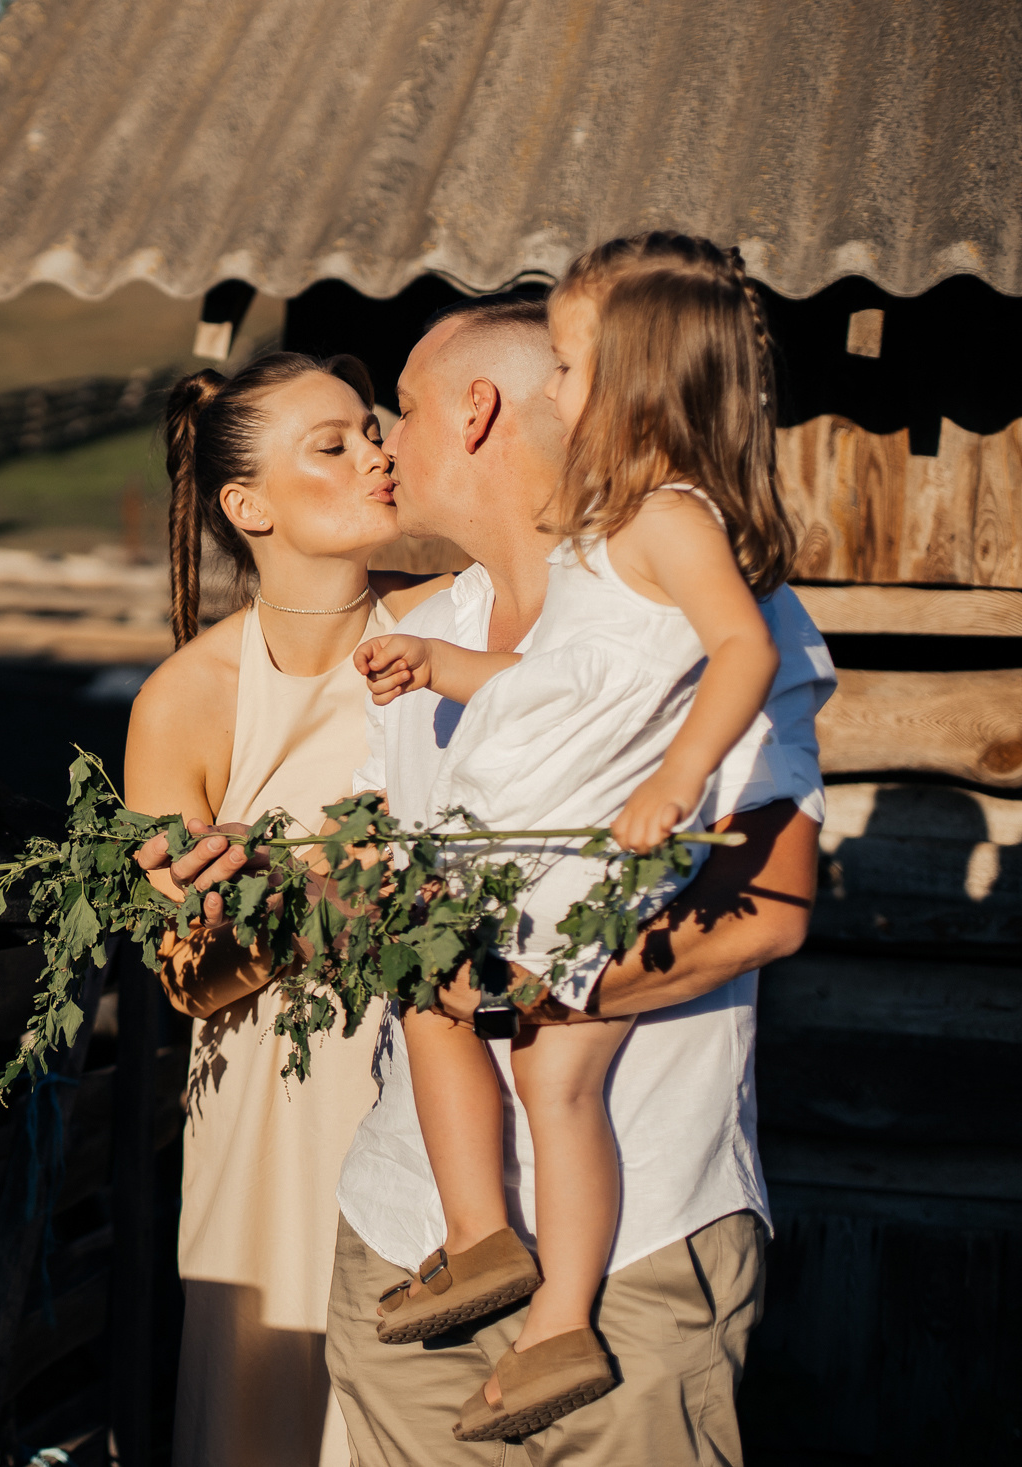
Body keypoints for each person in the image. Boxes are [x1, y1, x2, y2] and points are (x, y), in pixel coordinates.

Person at [285, 284, 827, 1465]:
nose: (386, 442)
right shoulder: (429, 631)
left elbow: (768, 911)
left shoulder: (704, 607)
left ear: (475, 411)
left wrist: (537, 994)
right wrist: (302, 892)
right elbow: (371, 865)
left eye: (402, 409)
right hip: (405, 1230)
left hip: (637, 1249)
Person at [122, 350, 450, 1467]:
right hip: (270, 1095)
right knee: (269, 1418)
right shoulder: (188, 697)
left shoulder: (451, 629)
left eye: (373, 431)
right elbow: (184, 978)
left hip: (438, 1075)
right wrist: (315, 897)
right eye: (334, 444)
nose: (376, 455)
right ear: (247, 506)